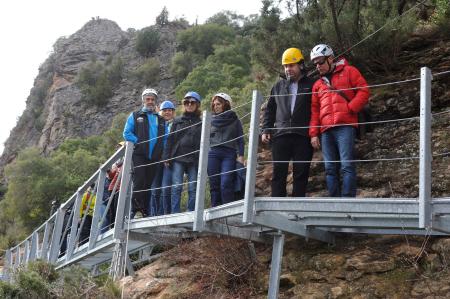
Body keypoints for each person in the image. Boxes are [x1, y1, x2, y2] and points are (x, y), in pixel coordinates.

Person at [309, 44, 370, 197]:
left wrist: (351, 108)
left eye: (320, 62)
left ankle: (348, 200)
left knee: (346, 165)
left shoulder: (349, 71)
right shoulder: (317, 84)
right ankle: (334, 201)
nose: (318, 66)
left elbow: (364, 90)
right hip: (325, 131)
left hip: (345, 126)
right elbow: (315, 111)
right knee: (329, 168)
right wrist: (313, 134)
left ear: (330, 58)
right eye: (315, 63)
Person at [261, 48, 315, 197]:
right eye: (285, 66)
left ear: (301, 65)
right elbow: (270, 109)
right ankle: (277, 208)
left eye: (291, 65)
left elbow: (316, 110)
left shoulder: (312, 84)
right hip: (280, 135)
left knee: (301, 173)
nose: (288, 69)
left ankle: (298, 208)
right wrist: (265, 129)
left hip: (303, 136)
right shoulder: (278, 86)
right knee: (278, 173)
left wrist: (314, 133)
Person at [123, 88, 166, 217]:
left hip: (154, 156)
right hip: (139, 155)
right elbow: (126, 133)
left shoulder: (161, 119)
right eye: (148, 99)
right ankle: (136, 210)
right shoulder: (135, 115)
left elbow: (165, 138)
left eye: (153, 99)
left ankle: (145, 211)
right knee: (139, 181)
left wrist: (162, 151)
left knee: (148, 183)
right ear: (143, 100)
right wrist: (139, 142)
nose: (150, 101)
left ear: (156, 101)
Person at [164, 91, 202, 213]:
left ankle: (191, 212)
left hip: (194, 158)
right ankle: (175, 213)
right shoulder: (177, 121)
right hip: (178, 157)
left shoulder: (202, 122)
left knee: (193, 187)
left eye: (192, 102)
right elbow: (170, 139)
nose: (189, 104)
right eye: (186, 102)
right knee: (176, 186)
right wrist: (166, 157)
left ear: (197, 105)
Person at [207, 92, 245, 207]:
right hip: (213, 153)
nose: (215, 106)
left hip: (229, 153)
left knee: (226, 182)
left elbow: (240, 139)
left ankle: (227, 210)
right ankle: (215, 209)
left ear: (226, 104)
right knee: (214, 184)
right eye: (214, 105)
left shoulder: (235, 120)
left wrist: (241, 155)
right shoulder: (210, 120)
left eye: (218, 104)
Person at [149, 100, 175, 216]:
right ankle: (154, 215)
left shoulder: (176, 124)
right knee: (154, 189)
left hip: (169, 160)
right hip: (156, 159)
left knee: (166, 188)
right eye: (165, 110)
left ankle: (166, 214)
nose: (167, 113)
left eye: (170, 110)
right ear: (161, 112)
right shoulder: (156, 125)